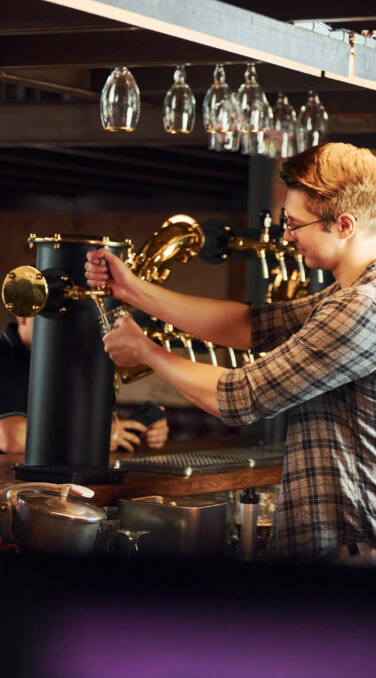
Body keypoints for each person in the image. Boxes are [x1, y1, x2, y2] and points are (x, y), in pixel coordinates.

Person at [85, 142, 376, 564]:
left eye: (296, 224)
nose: (288, 235)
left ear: (345, 224)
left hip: (348, 551)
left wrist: (146, 351)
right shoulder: (346, 295)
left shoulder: (360, 308)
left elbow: (238, 398)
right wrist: (131, 289)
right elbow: (250, 326)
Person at [0, 316, 169, 458]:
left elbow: (70, 423)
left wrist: (131, 431)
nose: (65, 326)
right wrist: (97, 436)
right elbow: (12, 438)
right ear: (23, 314)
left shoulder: (61, 364)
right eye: (54, 314)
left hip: (44, 495)